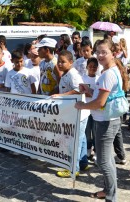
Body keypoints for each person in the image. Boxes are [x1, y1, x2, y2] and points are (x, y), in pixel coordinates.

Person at [75, 39, 128, 201]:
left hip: (106, 122)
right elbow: (102, 95)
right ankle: (108, 190)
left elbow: (100, 102)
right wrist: (89, 89)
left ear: (114, 53)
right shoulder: (109, 71)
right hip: (107, 119)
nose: (100, 55)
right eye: (97, 52)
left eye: (104, 52)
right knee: (107, 160)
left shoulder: (107, 74)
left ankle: (111, 196)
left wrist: (81, 105)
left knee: (104, 162)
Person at [52, 50, 89, 178]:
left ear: (71, 63)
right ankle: (83, 162)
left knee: (75, 141)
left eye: (63, 62)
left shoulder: (73, 74)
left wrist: (61, 95)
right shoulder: (65, 74)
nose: (60, 64)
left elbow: (79, 90)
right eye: (59, 62)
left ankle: (74, 168)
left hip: (79, 113)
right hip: (75, 112)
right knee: (82, 138)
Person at [82, 57, 99, 160]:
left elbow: (98, 95)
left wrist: (90, 92)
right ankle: (88, 149)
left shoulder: (99, 79)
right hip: (86, 110)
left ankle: (97, 152)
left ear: (97, 68)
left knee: (96, 133)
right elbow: (81, 92)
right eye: (90, 66)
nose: (92, 68)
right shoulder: (83, 78)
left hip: (96, 110)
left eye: (94, 67)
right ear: (87, 67)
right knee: (87, 132)